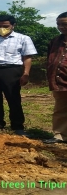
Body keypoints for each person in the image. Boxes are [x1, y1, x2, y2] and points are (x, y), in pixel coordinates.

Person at [43, 12, 67, 144]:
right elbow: (50, 59)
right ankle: (60, 135)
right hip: (59, 80)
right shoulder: (55, 41)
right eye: (58, 24)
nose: (61, 27)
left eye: (64, 24)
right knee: (60, 109)